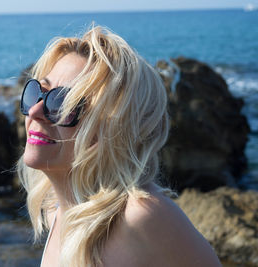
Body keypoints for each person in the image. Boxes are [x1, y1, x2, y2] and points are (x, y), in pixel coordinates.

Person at [17, 25, 222, 267]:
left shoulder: (141, 216)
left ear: (113, 128)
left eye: (62, 103)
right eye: (37, 92)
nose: (35, 111)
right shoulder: (56, 211)